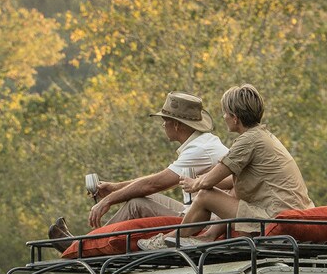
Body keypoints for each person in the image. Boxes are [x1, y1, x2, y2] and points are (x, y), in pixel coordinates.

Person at [144, 83, 312, 247]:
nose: (223, 117)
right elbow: (227, 180)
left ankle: (170, 239)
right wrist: (201, 180)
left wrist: (193, 183)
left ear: (235, 117)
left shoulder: (248, 141)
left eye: (224, 113)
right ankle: (209, 236)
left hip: (274, 217)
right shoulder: (262, 136)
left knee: (205, 195)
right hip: (288, 212)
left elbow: (208, 182)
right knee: (233, 191)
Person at [82, 92, 231, 230]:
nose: (163, 125)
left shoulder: (199, 149)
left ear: (177, 124)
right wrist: (115, 188)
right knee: (140, 196)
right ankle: (86, 242)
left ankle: (86, 245)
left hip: (207, 222)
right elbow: (154, 182)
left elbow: (154, 184)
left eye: (165, 120)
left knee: (136, 204)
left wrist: (107, 200)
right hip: (199, 213)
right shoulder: (202, 143)